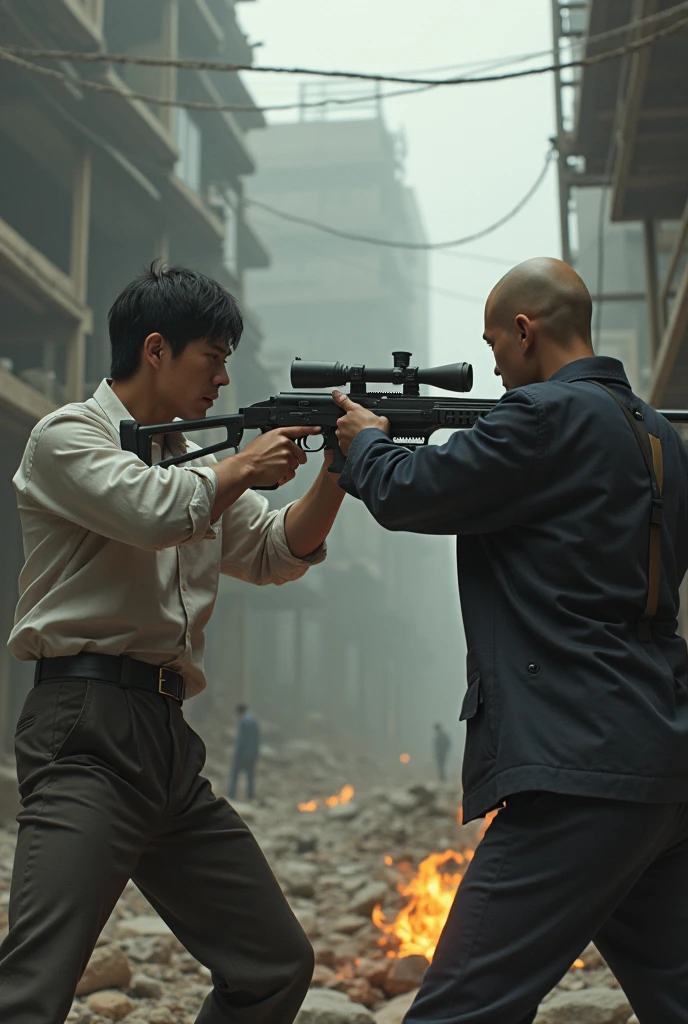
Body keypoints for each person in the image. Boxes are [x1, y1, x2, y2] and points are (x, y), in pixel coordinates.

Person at [333, 257, 688, 1023]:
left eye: (494, 344)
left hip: (576, 768)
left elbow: (411, 491)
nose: (493, 364)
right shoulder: (660, 435)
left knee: (460, 1010)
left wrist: (363, 443)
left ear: (525, 331)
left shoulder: (541, 417)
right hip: (662, 765)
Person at [1, 264, 346, 1024]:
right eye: (212, 358)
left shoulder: (195, 459)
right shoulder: (67, 437)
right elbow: (153, 510)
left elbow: (277, 551)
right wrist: (241, 466)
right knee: (33, 987)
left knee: (273, 965)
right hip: (84, 731)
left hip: (166, 741)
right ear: (155, 349)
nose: (223, 380)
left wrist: (337, 471)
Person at [228, 703, 260, 801]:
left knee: (234, 774)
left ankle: (231, 795)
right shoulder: (254, 721)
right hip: (251, 755)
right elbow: (257, 739)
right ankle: (251, 796)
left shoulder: (243, 722)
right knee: (250, 776)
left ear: (238, 712)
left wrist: (236, 752)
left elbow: (241, 739)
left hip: (242, 755)